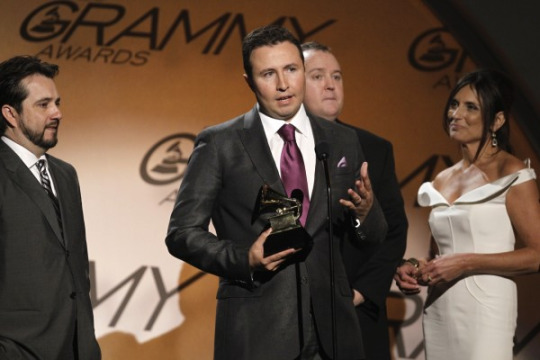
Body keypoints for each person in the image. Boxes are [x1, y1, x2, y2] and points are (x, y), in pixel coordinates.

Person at [166, 25, 388, 360]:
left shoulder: (341, 140)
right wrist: (244, 259)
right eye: (268, 73)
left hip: (333, 332)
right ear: (249, 81)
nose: (283, 84)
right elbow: (181, 233)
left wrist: (364, 215)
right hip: (257, 331)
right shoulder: (220, 143)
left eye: (291, 70)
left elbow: (373, 236)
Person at [394, 69, 540, 360]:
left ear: (497, 120)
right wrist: (415, 266)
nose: (455, 114)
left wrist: (465, 263)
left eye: (470, 107)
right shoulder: (442, 179)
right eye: (453, 104)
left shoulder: (513, 173)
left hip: (486, 312)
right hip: (439, 309)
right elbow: (439, 257)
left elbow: (537, 255)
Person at [301, 41, 408, 360]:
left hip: (354, 314)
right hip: (289, 318)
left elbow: (393, 230)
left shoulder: (374, 149)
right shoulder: (270, 148)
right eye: (318, 76)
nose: (331, 84)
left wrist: (360, 293)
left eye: (337, 76)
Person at [0, 56, 101, 359]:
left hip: (76, 348)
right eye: (43, 105)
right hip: (17, 348)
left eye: (57, 102)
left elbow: (74, 266)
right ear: (10, 114)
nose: (57, 113)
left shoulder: (65, 174)